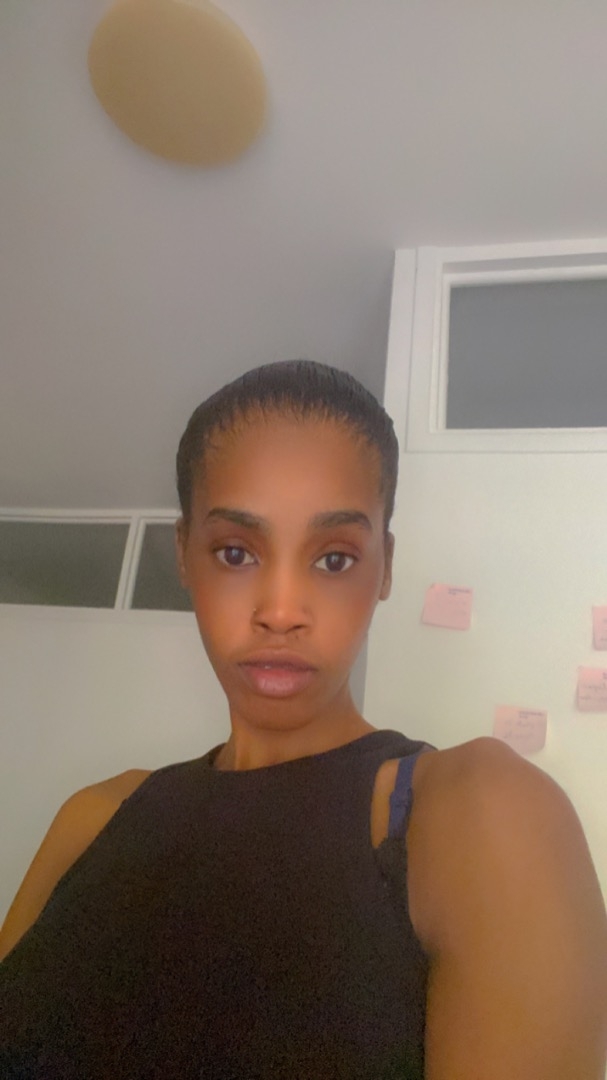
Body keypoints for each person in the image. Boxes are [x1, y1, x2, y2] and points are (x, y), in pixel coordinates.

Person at [0, 359, 606, 1079]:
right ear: (184, 556)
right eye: (235, 552)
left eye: (334, 559)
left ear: (384, 567)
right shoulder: (92, 818)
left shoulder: (479, 813)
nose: (281, 611)